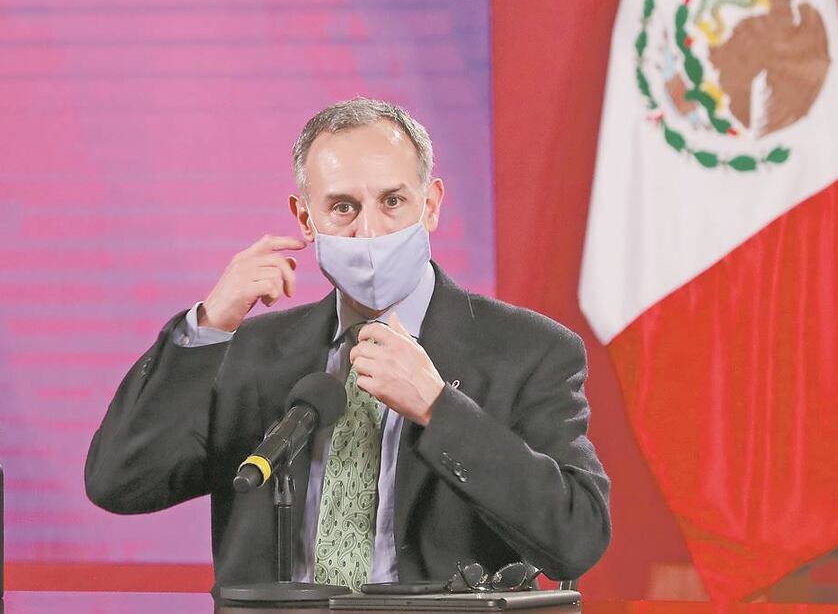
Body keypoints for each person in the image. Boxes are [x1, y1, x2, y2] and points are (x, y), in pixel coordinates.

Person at [84, 98, 611, 593]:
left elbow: (576, 538)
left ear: (430, 205)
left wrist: (439, 408)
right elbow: (121, 483)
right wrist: (209, 326)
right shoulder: (249, 352)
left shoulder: (530, 350)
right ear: (305, 217)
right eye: (342, 207)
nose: (369, 232)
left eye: (393, 201)